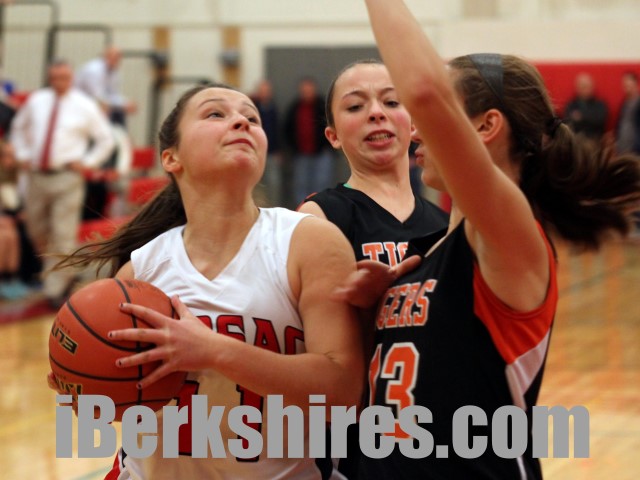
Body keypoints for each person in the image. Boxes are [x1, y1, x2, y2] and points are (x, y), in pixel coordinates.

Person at [335, 1, 640, 478]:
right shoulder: (430, 251)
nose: (415, 129)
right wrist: (369, 313)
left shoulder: (510, 233)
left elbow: (424, 91)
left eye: (439, 114)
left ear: (485, 126)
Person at [50, 83, 364, 479]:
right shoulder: (141, 271)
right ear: (171, 157)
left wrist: (215, 352)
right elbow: (127, 408)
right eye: (216, 113)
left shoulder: (308, 241)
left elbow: (343, 394)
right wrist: (87, 386)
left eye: (252, 118)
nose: (241, 122)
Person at [298, 59, 449, 478]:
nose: (376, 113)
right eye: (355, 106)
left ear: (412, 123)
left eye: (391, 101)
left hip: (434, 432)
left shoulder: (445, 225)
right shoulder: (318, 217)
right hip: (354, 443)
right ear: (332, 135)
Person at [9, 59, 115, 308]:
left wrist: (87, 162)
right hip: (36, 175)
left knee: (63, 232)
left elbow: (106, 140)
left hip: (67, 176)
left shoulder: (84, 105)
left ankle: (54, 289)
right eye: (55, 77)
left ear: (72, 78)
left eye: (64, 78)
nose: (59, 82)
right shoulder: (37, 100)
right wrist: (23, 154)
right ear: (50, 78)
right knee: (36, 230)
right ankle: (63, 274)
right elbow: (18, 128)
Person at [75, 45, 136, 220]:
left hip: (99, 117)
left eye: (118, 57)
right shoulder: (94, 70)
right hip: (83, 111)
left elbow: (112, 97)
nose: (116, 61)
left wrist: (125, 103)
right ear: (105, 56)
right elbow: (99, 97)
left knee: (119, 183)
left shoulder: (114, 73)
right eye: (113, 57)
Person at [284, 76, 334, 207]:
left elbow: (332, 125)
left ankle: (322, 208)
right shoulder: (295, 107)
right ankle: (302, 209)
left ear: (314, 89)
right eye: (304, 90)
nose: (307, 92)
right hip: (301, 154)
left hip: (321, 153)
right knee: (301, 184)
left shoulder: (323, 106)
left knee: (322, 182)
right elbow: (287, 128)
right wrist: (293, 147)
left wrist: (328, 145)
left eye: (309, 89)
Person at [251, 78, 283, 206]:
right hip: (255, 152)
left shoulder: (274, 109)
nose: (265, 94)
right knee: (256, 183)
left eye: (267, 91)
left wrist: (278, 150)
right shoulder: (253, 109)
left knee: (273, 183)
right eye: (262, 91)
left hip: (272, 153)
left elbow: (278, 130)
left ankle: (273, 207)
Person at [564, 72, 608, 146]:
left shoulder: (599, 105)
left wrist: (581, 116)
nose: (586, 90)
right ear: (577, 88)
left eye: (588, 86)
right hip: (576, 143)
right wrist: (590, 117)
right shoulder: (571, 105)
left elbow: (599, 120)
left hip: (595, 142)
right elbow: (568, 123)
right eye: (583, 87)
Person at [615, 71, 640, 155]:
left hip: (636, 148)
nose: (626, 87)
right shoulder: (625, 103)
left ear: (636, 84)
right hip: (622, 147)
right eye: (625, 85)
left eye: (629, 84)